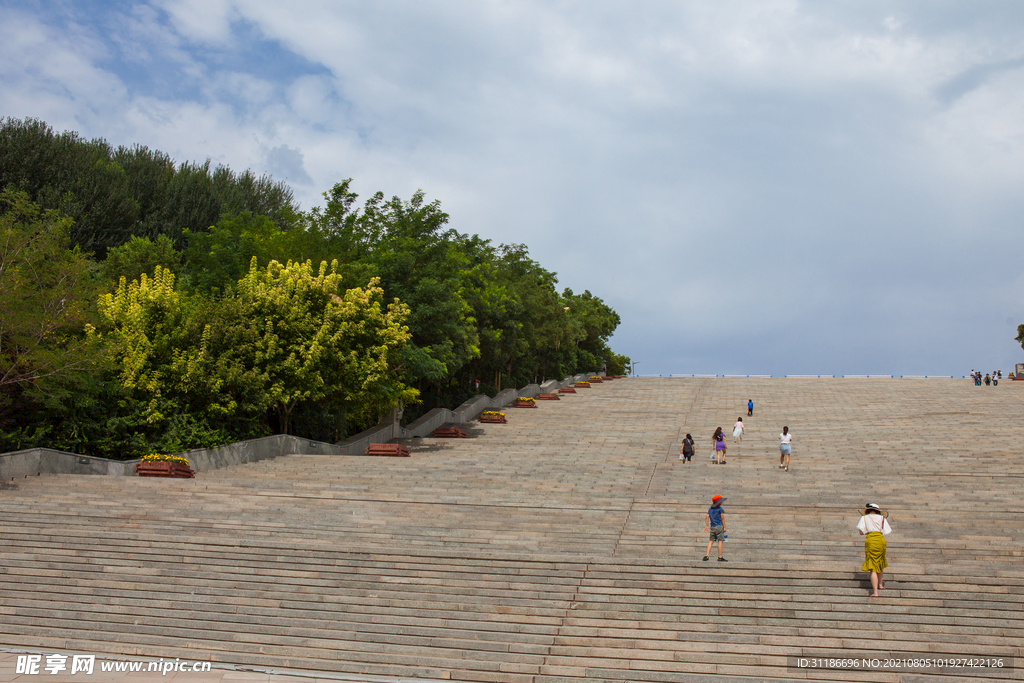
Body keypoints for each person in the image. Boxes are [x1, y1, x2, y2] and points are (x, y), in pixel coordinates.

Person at [857, 503, 892, 597]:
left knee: (872, 566)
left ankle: (875, 592)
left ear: (868, 510)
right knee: (880, 561)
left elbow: (861, 532)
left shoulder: (864, 518)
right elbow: (887, 531)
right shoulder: (882, 518)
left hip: (871, 540)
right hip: (880, 540)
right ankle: (880, 584)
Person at [703, 494, 728, 561]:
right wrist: (724, 527)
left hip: (713, 527)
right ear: (719, 502)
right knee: (720, 541)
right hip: (719, 526)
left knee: (711, 541)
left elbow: (707, 516)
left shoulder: (710, 509)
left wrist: (707, 525)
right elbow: (722, 518)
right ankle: (720, 556)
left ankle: (706, 555)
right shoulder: (720, 509)